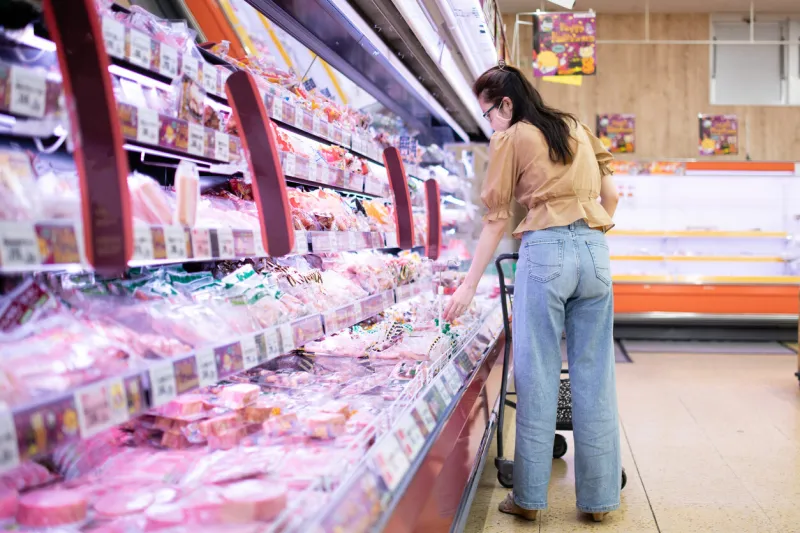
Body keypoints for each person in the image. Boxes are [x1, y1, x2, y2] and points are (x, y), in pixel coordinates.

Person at [443, 64, 621, 523]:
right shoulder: (575, 126)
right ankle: (600, 502)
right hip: (596, 251)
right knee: (595, 375)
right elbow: (612, 195)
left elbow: (497, 218)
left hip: (546, 252)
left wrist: (467, 284)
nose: (490, 125)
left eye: (489, 113)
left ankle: (527, 498)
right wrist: (588, 244)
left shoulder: (512, 136)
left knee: (537, 375)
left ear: (505, 103)